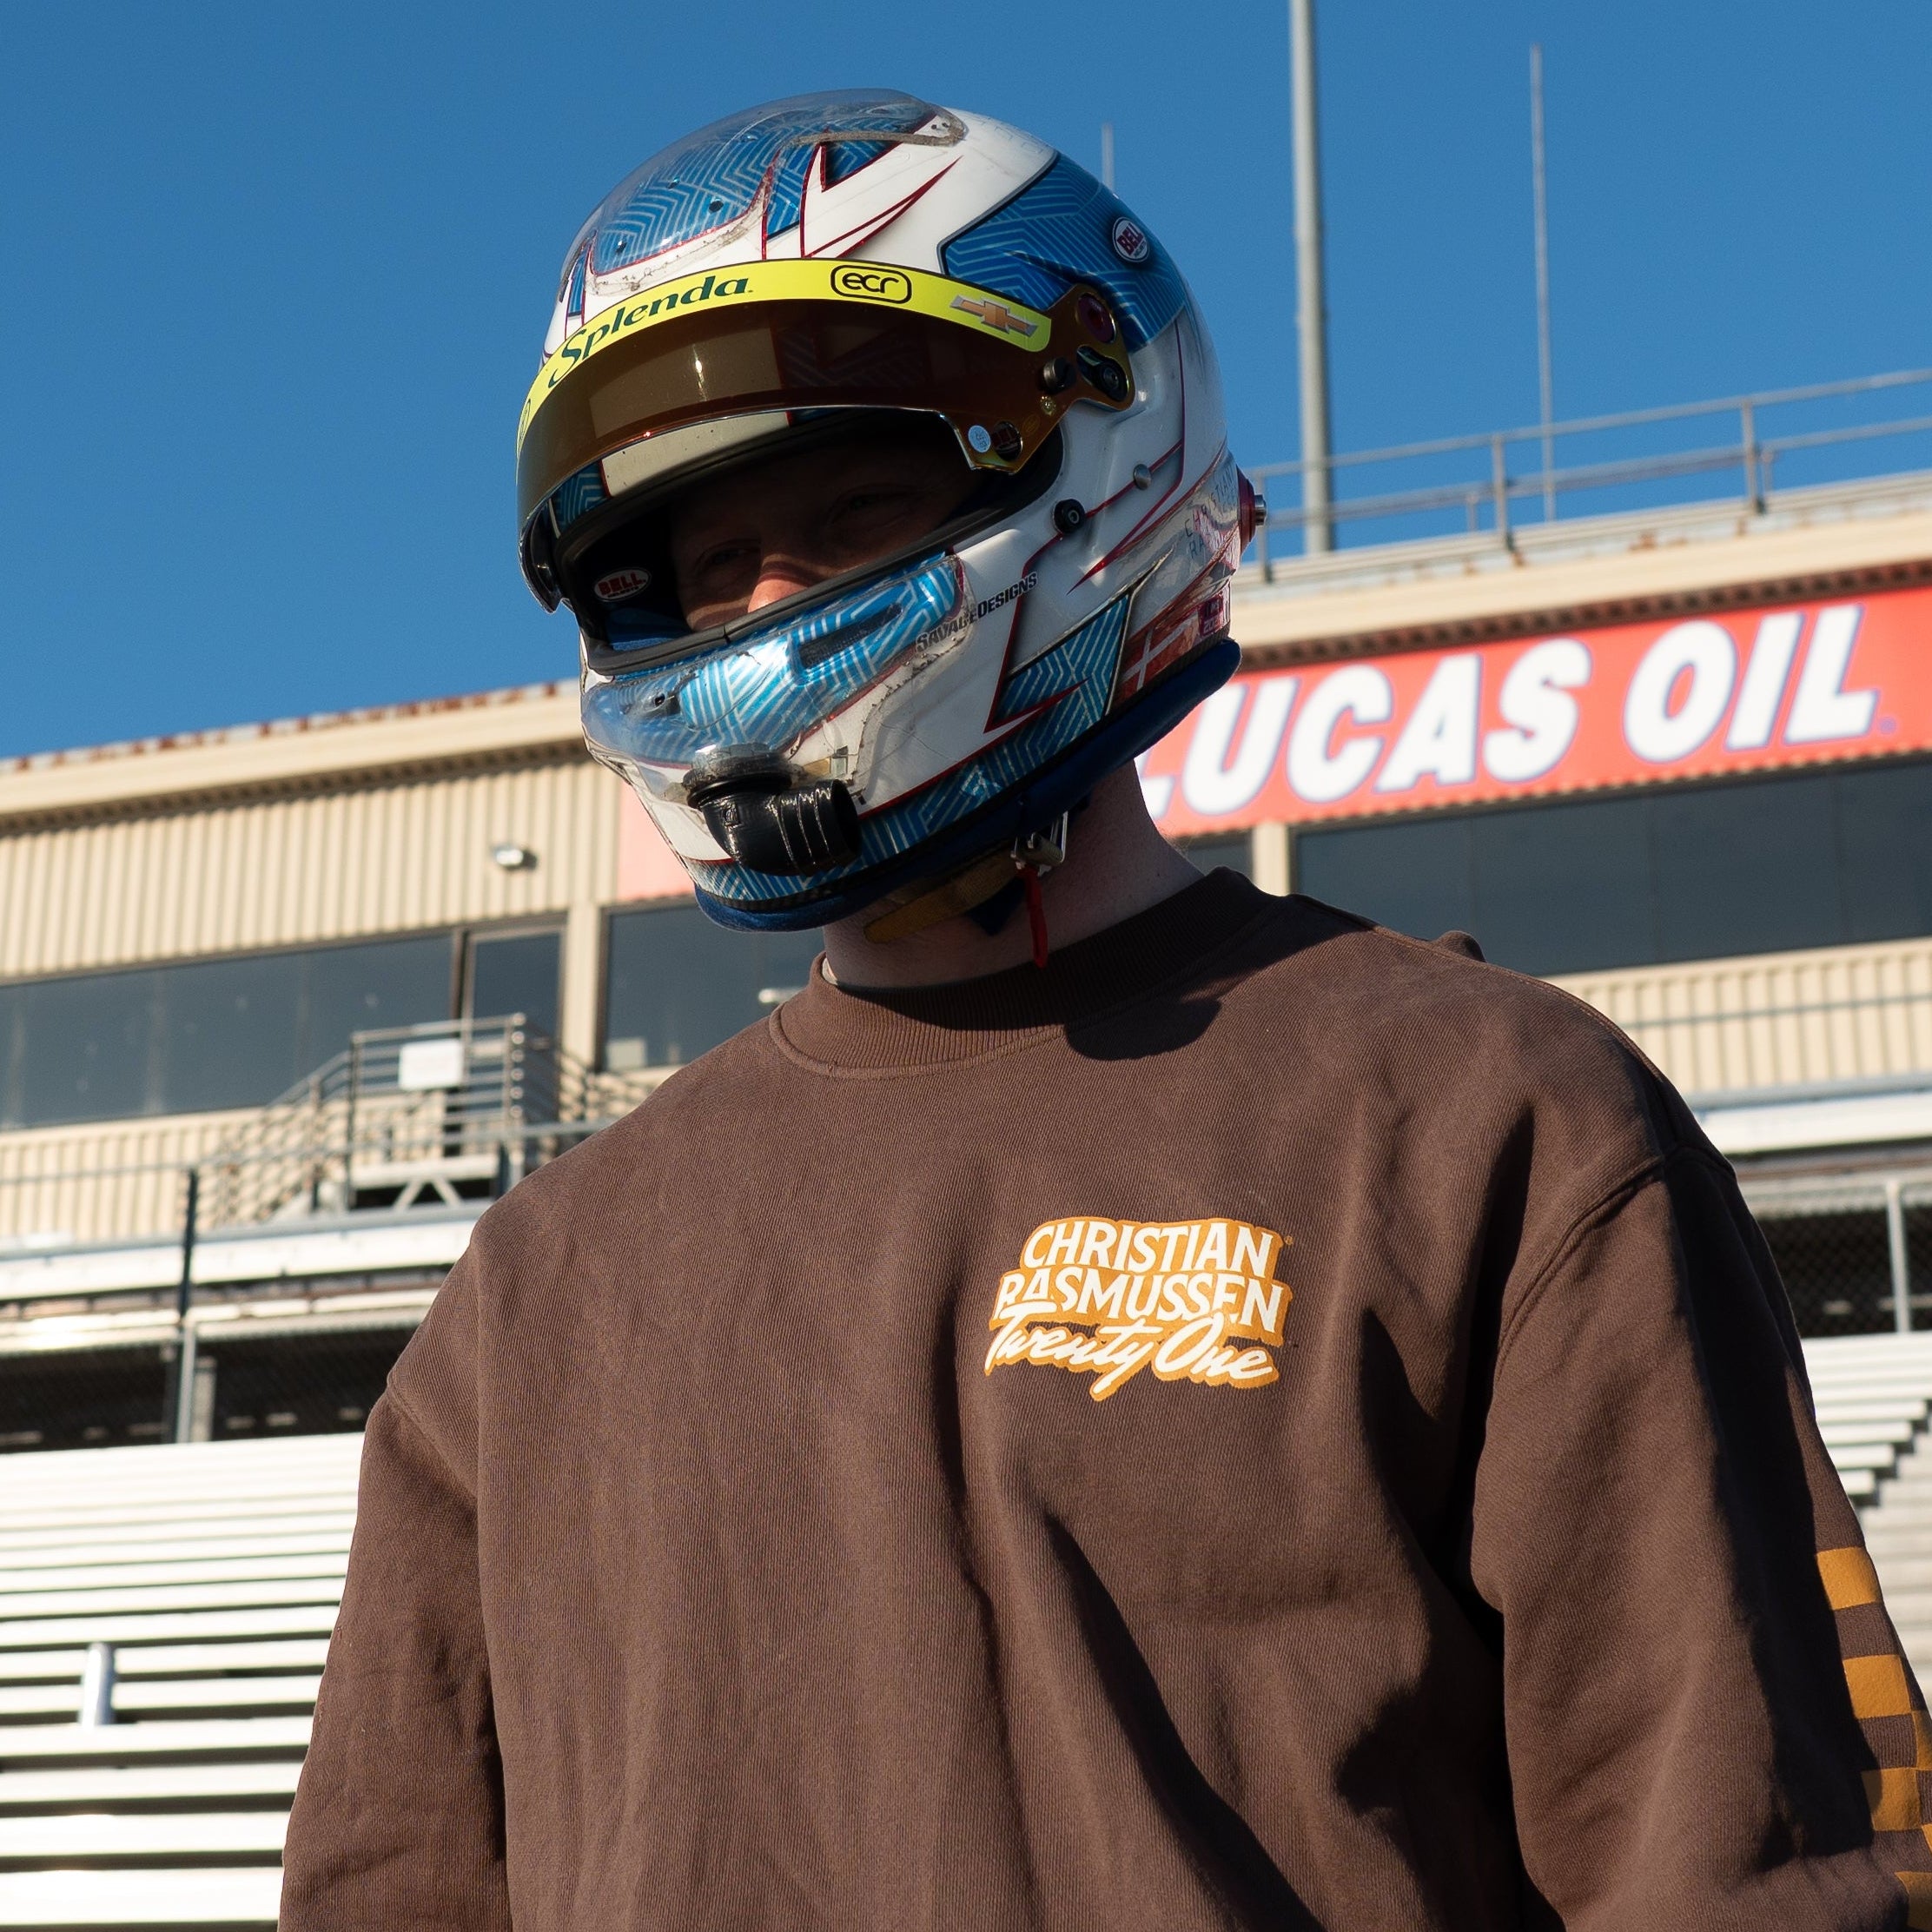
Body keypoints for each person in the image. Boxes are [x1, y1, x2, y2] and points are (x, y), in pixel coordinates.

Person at [281, 93, 1929, 1930]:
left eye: (846, 513)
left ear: (1094, 450)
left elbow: (1751, 1876)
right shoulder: (526, 1297)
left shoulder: (1486, 1121)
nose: (758, 610)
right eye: (691, 562)